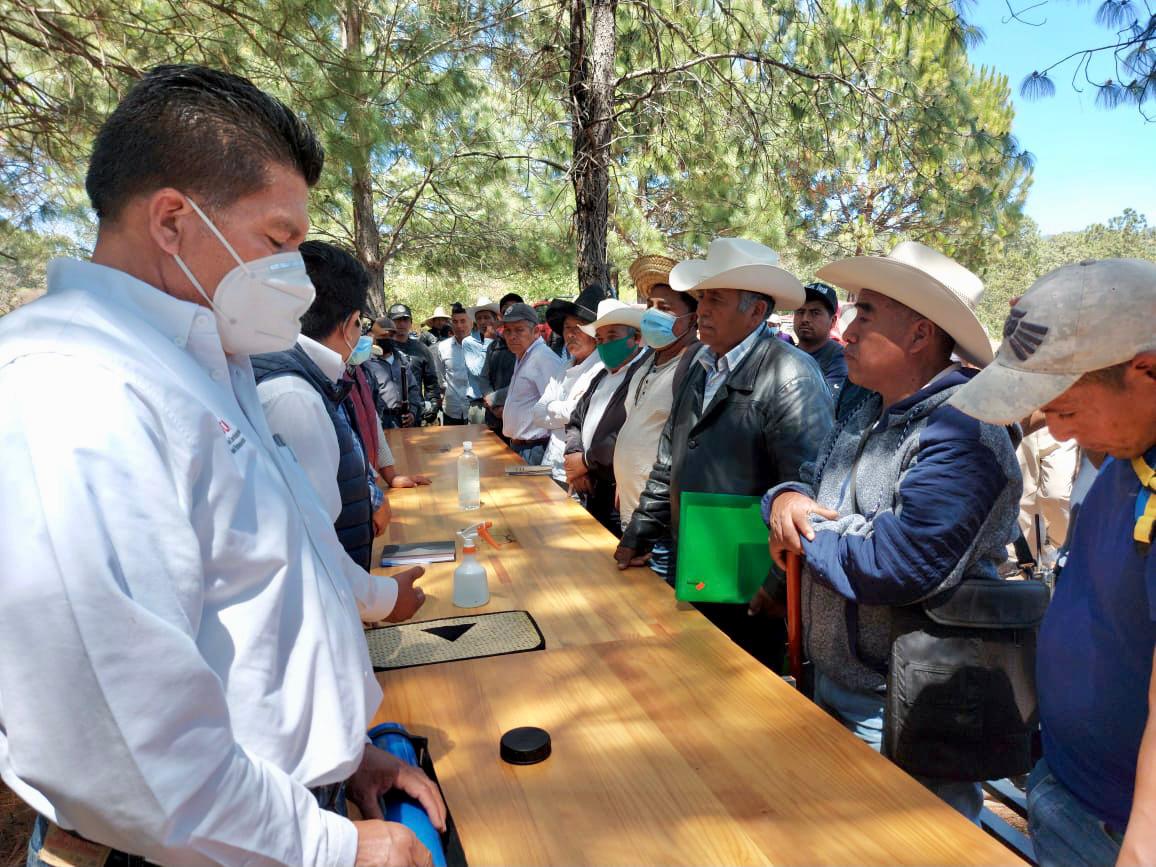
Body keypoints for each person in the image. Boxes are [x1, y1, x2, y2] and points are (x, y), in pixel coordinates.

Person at [0, 64, 441, 867]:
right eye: (278, 242)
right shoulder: (76, 386)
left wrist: (342, 756)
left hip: (262, 815)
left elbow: (274, 578)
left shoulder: (207, 361)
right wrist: (331, 848)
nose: (297, 276)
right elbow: (125, 747)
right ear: (172, 221)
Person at [766, 241, 1020, 822]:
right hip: (846, 683)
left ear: (919, 334)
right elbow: (804, 487)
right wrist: (783, 500)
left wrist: (803, 528)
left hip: (907, 704)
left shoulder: (964, 430)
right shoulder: (866, 412)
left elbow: (897, 562)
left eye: (866, 314)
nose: (847, 332)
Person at [948, 258, 1156, 867]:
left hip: (1120, 831)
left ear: (1146, 370)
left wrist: (1144, 838)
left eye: (1067, 410)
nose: (1059, 435)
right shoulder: (1125, 447)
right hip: (1067, 784)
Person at [615, 238, 833, 669]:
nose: (703, 309)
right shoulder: (699, 363)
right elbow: (668, 462)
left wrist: (776, 583)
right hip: (697, 564)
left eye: (716, 298)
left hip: (749, 583)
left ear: (756, 311)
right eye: (701, 298)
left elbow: (807, 491)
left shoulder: (790, 374)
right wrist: (640, 532)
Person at [254, 241, 394, 565]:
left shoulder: (313, 379)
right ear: (351, 323)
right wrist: (379, 599)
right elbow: (314, 541)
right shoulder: (294, 398)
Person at [614, 254, 700, 581]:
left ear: (692, 318)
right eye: (650, 305)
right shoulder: (645, 362)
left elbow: (681, 448)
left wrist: (651, 514)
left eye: (665, 308)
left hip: (658, 526)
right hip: (631, 511)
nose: (653, 314)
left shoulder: (694, 365)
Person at [563, 300, 648, 533]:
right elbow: (575, 420)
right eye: (600, 339)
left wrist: (585, 463)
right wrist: (574, 454)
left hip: (618, 492)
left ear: (636, 337)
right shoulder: (601, 376)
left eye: (612, 336)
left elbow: (628, 435)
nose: (605, 344)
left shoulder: (643, 376)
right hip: (591, 487)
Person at [533, 285, 605, 484]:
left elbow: (581, 414)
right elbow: (538, 414)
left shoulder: (602, 369)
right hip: (551, 464)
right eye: (567, 328)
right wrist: (565, 411)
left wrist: (553, 407)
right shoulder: (563, 368)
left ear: (596, 334)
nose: (571, 334)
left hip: (577, 475)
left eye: (579, 328)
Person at [498, 301, 564, 464]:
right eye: (508, 331)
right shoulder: (524, 354)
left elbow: (557, 408)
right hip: (521, 447)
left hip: (534, 448)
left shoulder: (543, 358)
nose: (512, 336)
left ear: (536, 332)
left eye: (519, 330)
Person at [387, 302, 441, 424]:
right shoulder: (382, 349)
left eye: (405, 320)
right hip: (387, 415)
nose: (401, 323)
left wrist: (433, 403)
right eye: (397, 320)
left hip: (415, 412)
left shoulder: (422, 349)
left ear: (410, 323)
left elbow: (431, 381)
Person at [438, 302, 491, 425]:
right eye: (455, 321)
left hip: (478, 410)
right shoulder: (443, 347)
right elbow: (441, 378)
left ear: (472, 322)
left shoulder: (484, 345)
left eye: (463, 321)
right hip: (452, 410)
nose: (459, 325)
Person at [794, 281, 848, 398]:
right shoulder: (785, 353)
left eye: (815, 313)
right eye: (800, 312)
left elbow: (825, 404)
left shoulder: (840, 359)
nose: (805, 319)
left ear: (832, 321)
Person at [367, 316, 423, 428]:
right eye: (384, 335)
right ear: (374, 337)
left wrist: (412, 412)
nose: (388, 338)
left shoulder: (401, 360)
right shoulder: (366, 363)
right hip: (380, 422)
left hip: (402, 421)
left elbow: (413, 388)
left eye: (392, 335)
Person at [478, 294, 522, 436]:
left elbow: (524, 382)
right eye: (506, 311)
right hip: (493, 419)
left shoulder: (529, 346)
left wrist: (496, 400)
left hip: (518, 422)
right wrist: (492, 403)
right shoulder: (493, 345)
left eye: (515, 309)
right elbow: (483, 377)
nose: (511, 314)